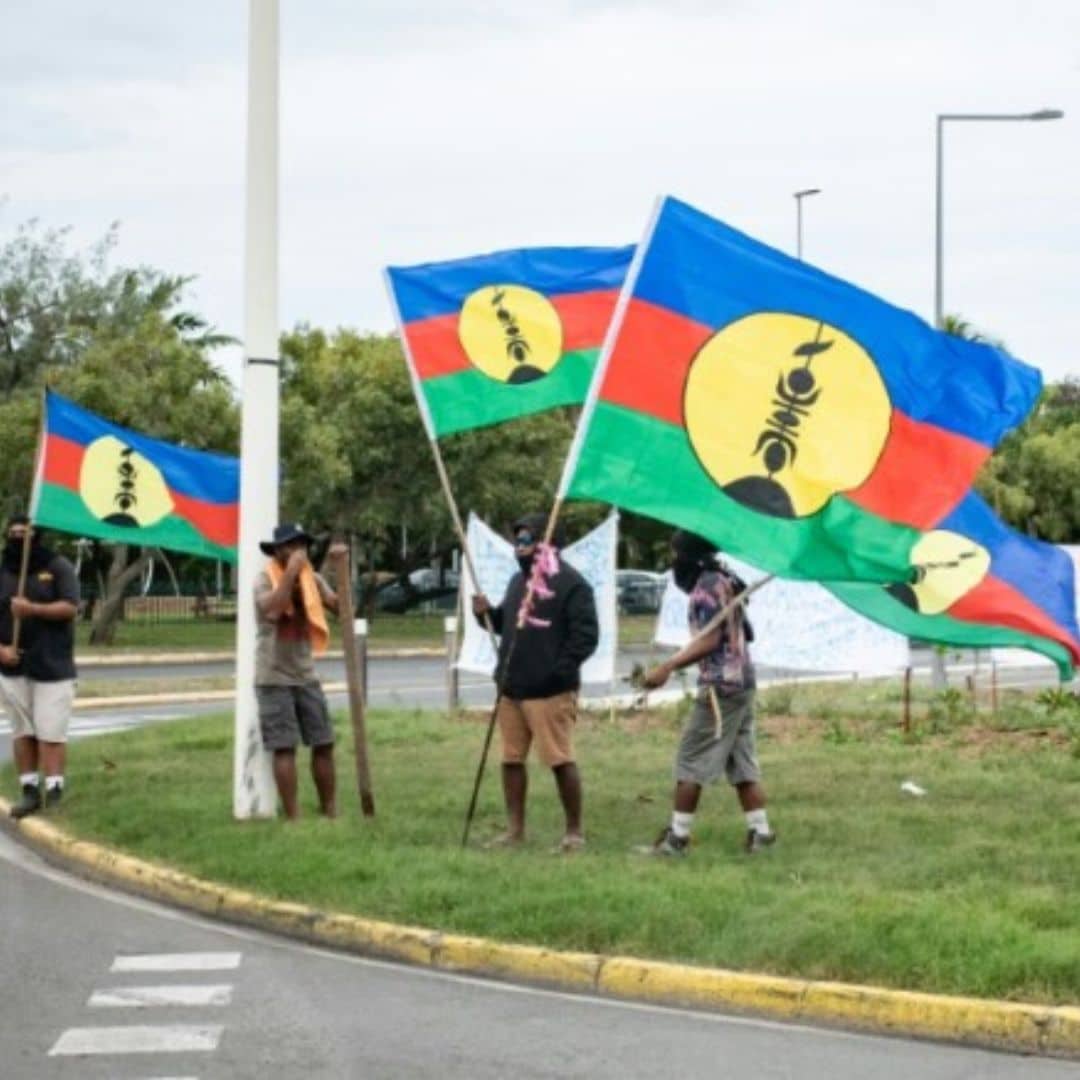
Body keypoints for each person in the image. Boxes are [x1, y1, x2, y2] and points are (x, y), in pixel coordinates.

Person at [638, 529, 776, 856]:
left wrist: (668, 667)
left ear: (688, 558)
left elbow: (710, 640)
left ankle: (677, 838)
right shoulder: (722, 579)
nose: (673, 563)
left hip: (720, 688)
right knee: (741, 763)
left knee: (690, 760)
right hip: (742, 682)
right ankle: (761, 834)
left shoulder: (706, 588)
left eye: (675, 555)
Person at [472, 513, 599, 853]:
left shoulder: (572, 584)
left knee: (559, 759)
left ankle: (574, 831)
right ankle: (515, 830)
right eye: (518, 541)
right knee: (511, 759)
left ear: (548, 543)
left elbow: (586, 638)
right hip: (511, 687)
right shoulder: (518, 582)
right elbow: (505, 626)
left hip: (549, 691)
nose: (520, 547)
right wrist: (485, 613)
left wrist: (557, 672)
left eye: (527, 540)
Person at [255, 522, 343, 820]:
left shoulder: (313, 579)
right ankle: (293, 817)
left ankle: (329, 810)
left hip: (306, 674)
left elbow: (340, 608)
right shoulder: (264, 579)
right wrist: (291, 572)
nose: (298, 551)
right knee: (284, 747)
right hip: (274, 676)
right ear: (278, 550)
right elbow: (272, 610)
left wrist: (339, 571)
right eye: (291, 545)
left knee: (323, 741)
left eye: (302, 545)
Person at [0, 516, 80, 819]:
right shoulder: (3, 570)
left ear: (37, 537)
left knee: (50, 731)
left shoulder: (58, 567)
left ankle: (55, 789)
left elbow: (71, 607)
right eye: (14, 534)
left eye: (25, 534)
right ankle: (29, 789)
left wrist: (31, 609)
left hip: (52, 665)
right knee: (23, 730)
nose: (19, 539)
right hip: (12, 668)